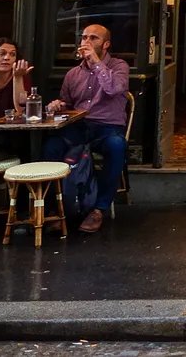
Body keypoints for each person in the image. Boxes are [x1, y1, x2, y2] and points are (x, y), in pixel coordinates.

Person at [43, 24, 129, 233]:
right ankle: (56, 208)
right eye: (83, 38)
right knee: (50, 146)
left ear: (106, 44)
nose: (86, 42)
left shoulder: (119, 66)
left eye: (93, 38)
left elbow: (113, 89)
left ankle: (99, 209)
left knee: (117, 146)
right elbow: (68, 103)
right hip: (79, 125)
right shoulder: (73, 73)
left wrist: (96, 62)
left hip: (107, 126)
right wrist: (58, 105)